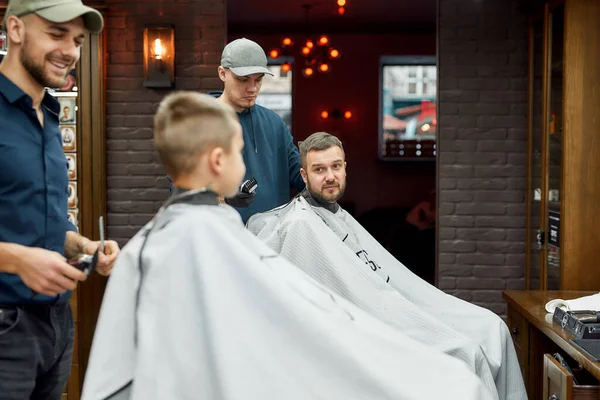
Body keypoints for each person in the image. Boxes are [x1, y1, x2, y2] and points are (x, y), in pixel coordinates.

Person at [82, 92, 494, 400]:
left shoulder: (158, 238)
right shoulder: (205, 238)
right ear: (218, 161)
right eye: (240, 152)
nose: (247, 164)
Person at [247, 132, 527, 400]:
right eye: (319, 170)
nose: (330, 176)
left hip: (392, 304)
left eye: (335, 166)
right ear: (304, 176)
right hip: (370, 323)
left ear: (345, 168)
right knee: (465, 352)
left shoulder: (337, 215)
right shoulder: (301, 225)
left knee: (492, 327)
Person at [0, 1, 120, 399]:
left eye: (77, 39)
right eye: (56, 34)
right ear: (15, 30)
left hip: (55, 324)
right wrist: (18, 260)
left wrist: (82, 245)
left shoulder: (47, 115)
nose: (70, 50)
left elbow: (42, 219)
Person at [214, 38, 304, 222]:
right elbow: (183, 189)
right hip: (222, 240)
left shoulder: (275, 123)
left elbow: (299, 174)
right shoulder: (198, 121)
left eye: (259, 80)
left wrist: (326, 171)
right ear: (222, 73)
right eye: (243, 79)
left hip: (272, 240)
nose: (252, 88)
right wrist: (224, 197)